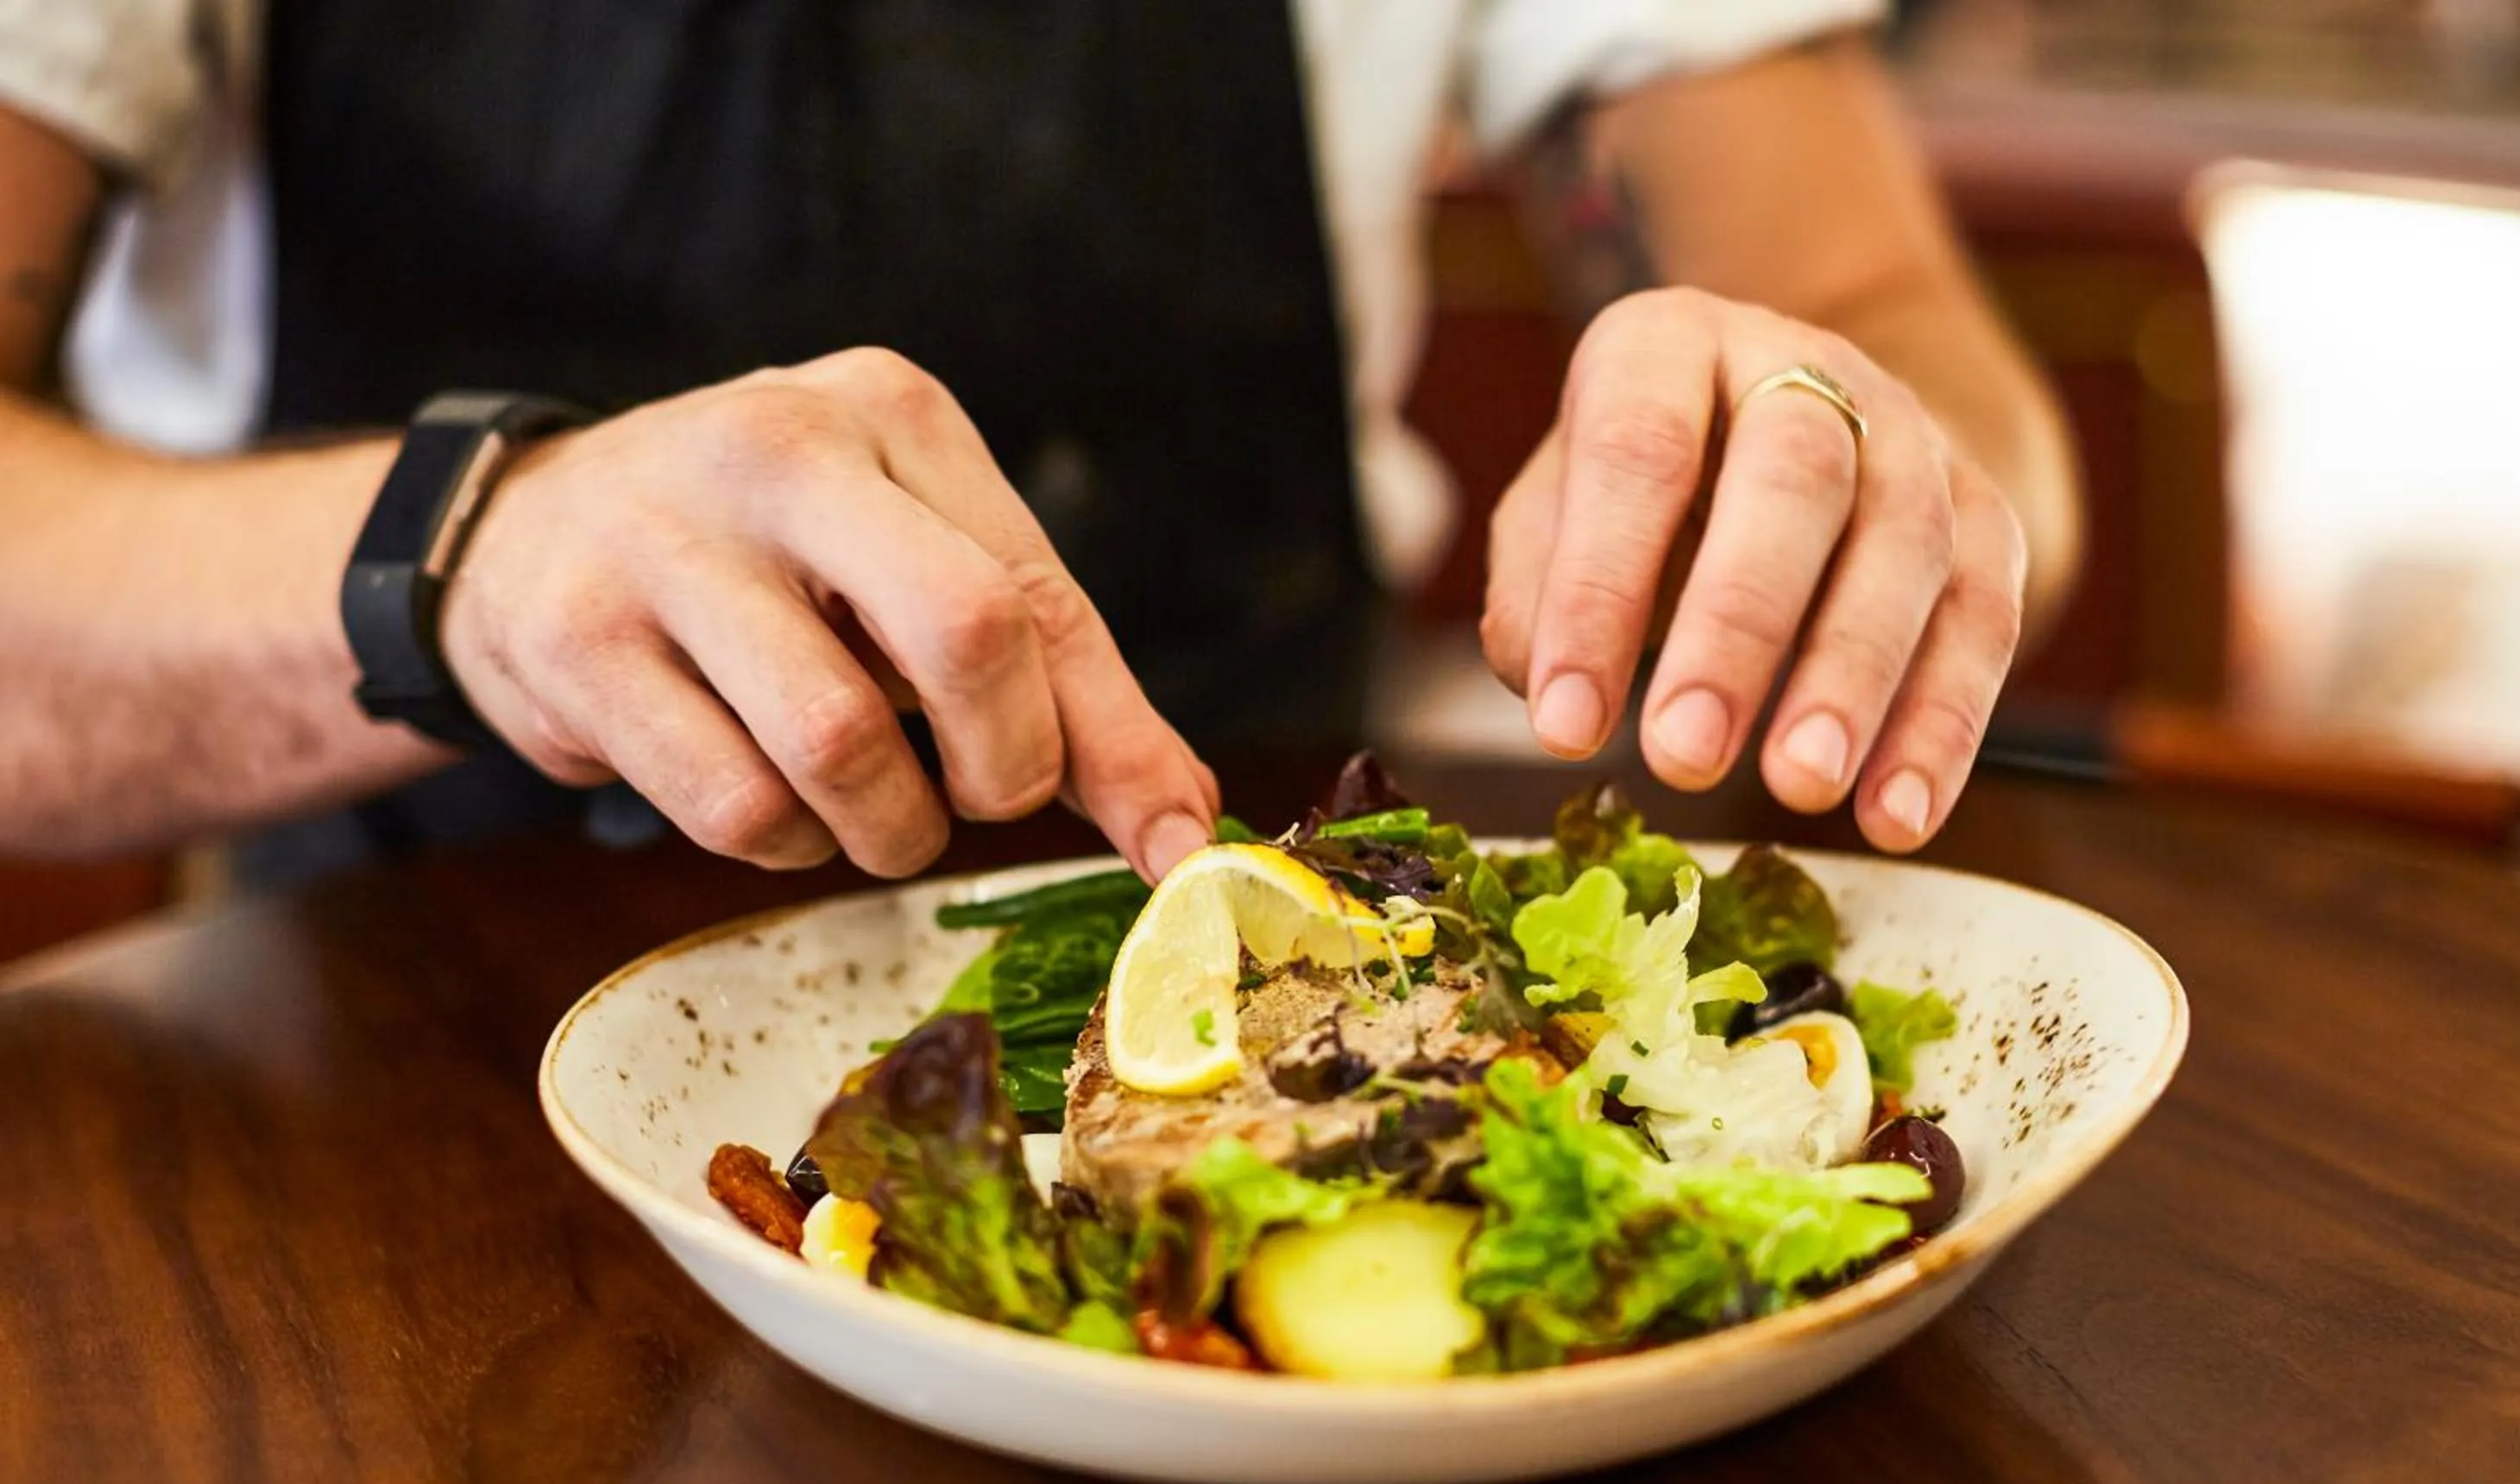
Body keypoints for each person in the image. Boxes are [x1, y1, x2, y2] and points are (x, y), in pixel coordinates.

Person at [0, 2, 2077, 888]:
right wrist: (476, 550)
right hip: (391, 1073)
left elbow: (1902, 332)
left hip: (1292, 1016)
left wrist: (1857, 449)